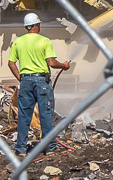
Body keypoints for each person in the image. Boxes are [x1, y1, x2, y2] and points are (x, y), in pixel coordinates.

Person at [8, 12, 70, 156]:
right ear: (37, 25)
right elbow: (51, 62)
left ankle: (21, 149)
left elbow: (11, 63)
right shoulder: (45, 41)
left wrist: (20, 78)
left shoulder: (18, 42)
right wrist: (63, 66)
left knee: (24, 116)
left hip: (26, 82)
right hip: (41, 82)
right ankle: (50, 148)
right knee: (46, 115)